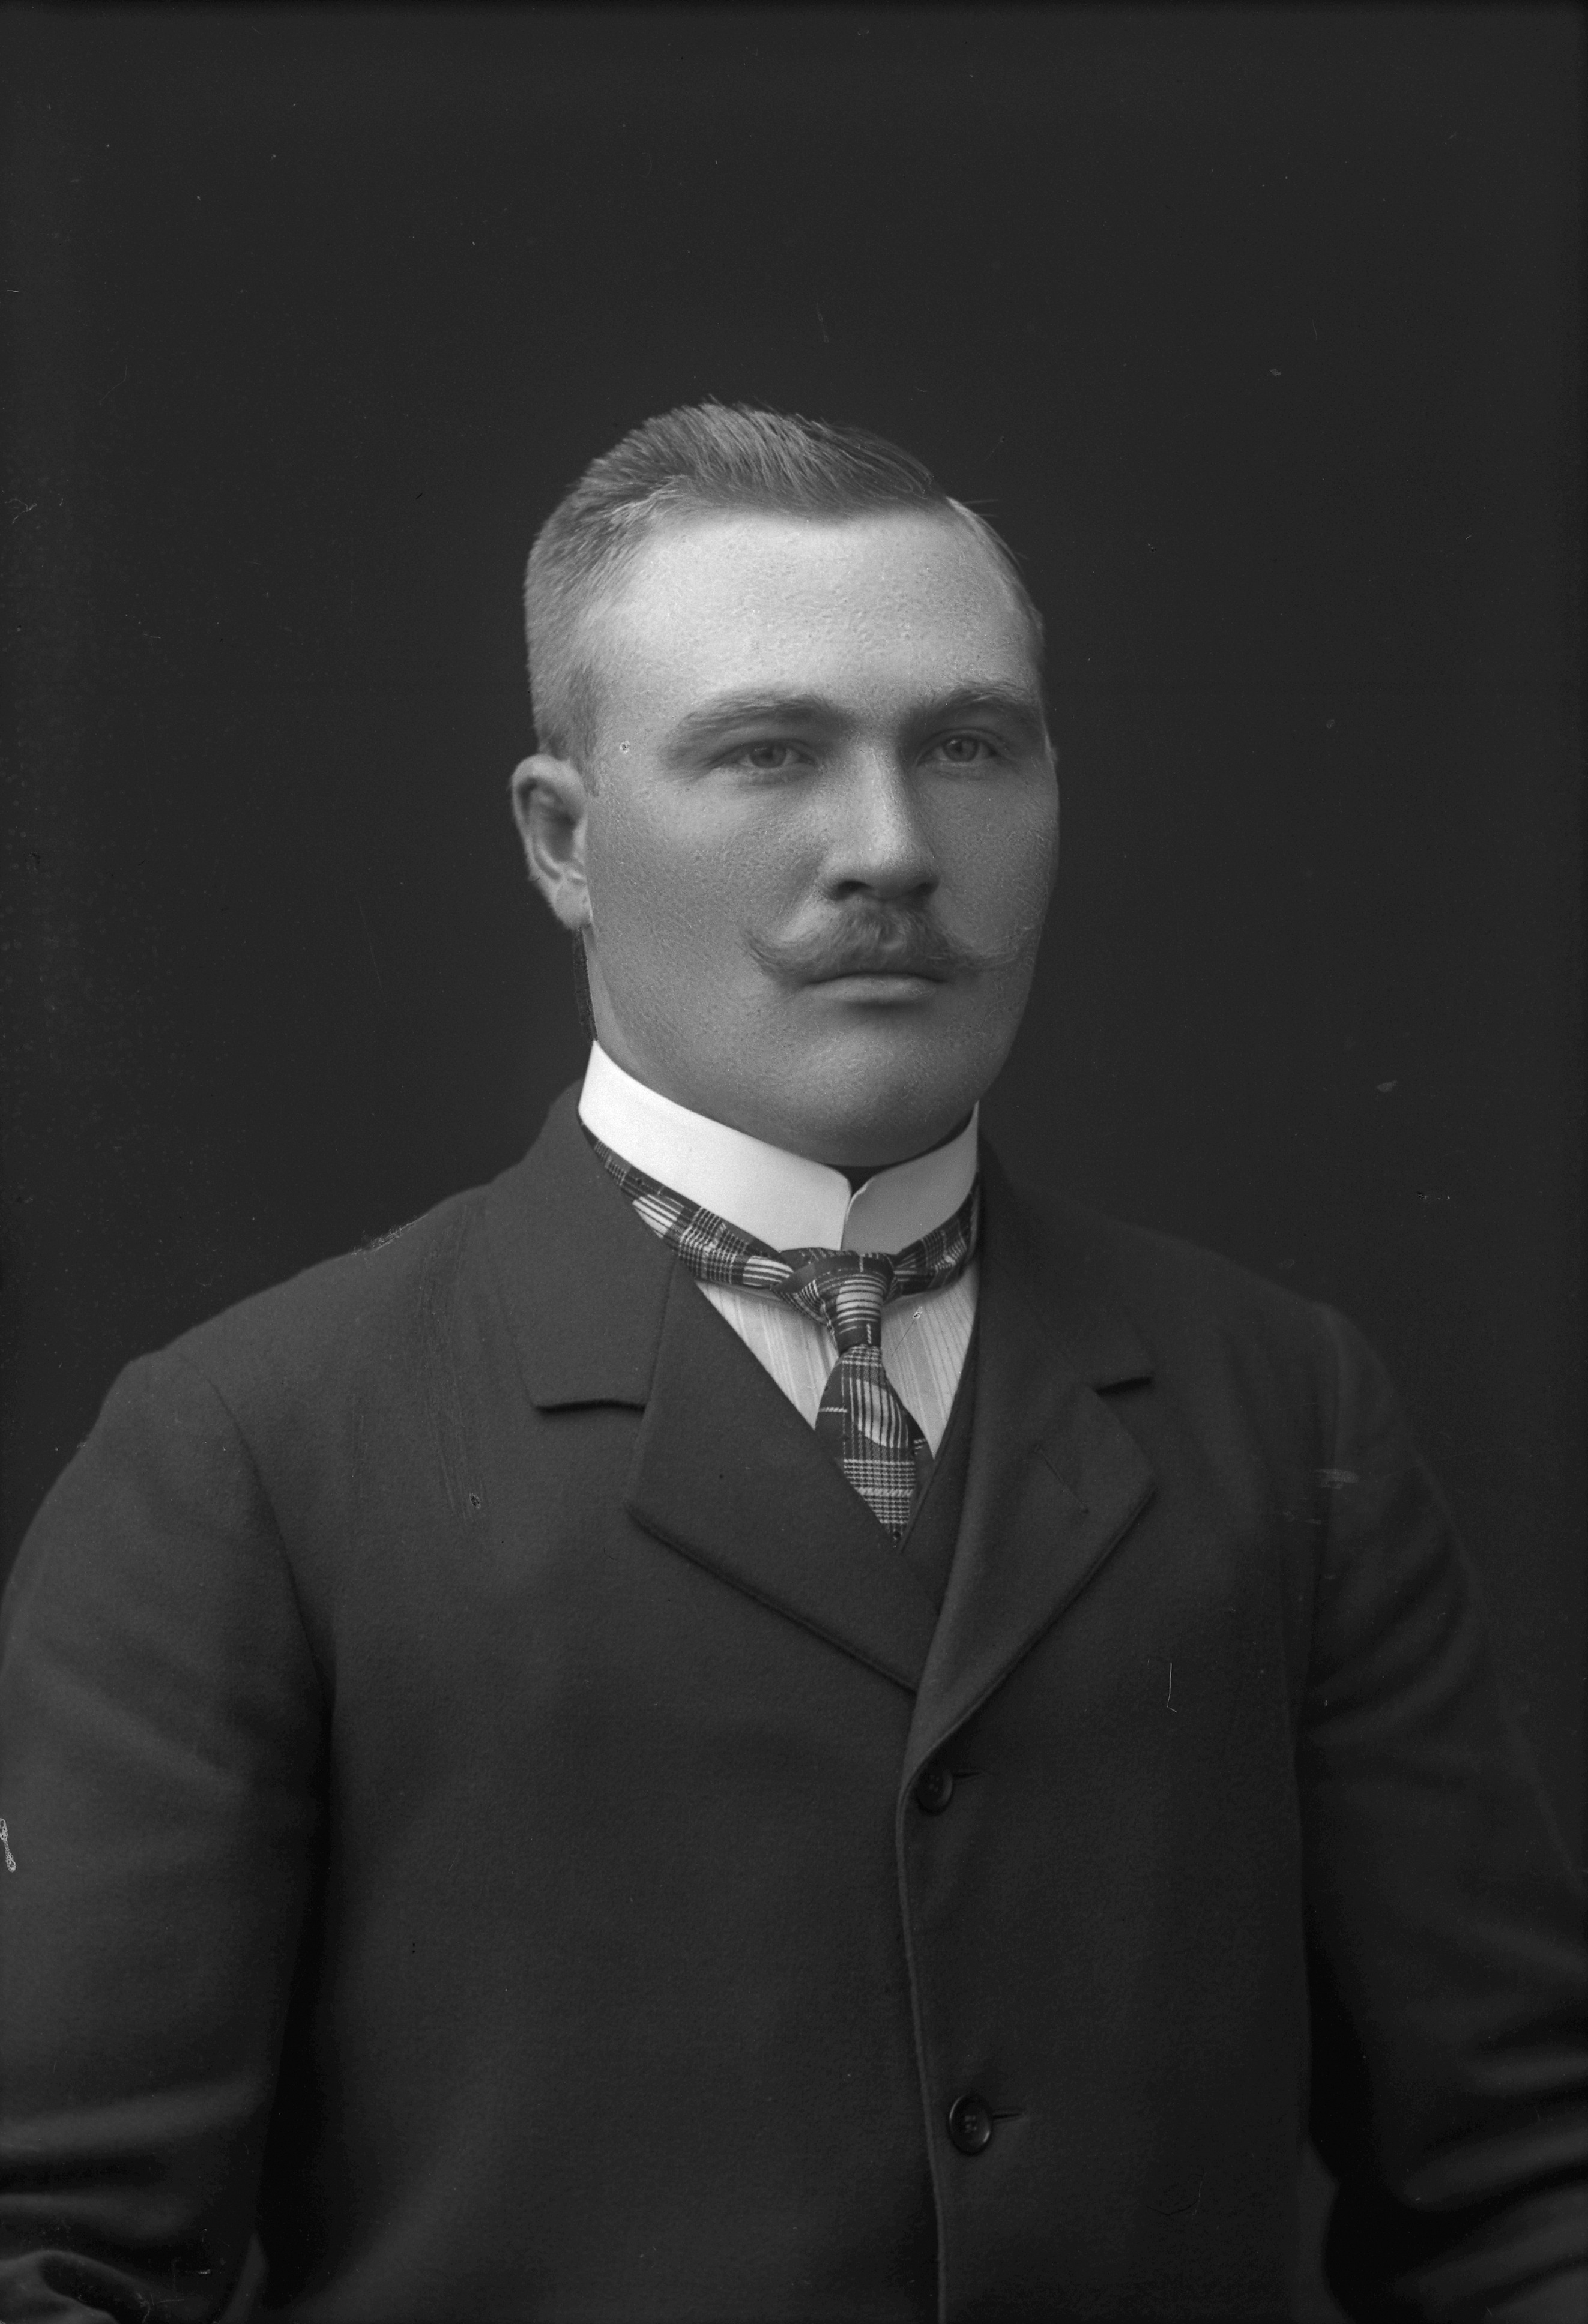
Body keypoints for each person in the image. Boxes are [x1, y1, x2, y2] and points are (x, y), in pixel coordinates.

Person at [0, 403, 1583, 2324]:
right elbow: (50, 2251)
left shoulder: (1280, 1401)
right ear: (564, 841)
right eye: (769, 752)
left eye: (968, 746)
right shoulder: (247, 1450)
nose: (893, 851)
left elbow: (1522, 2190)